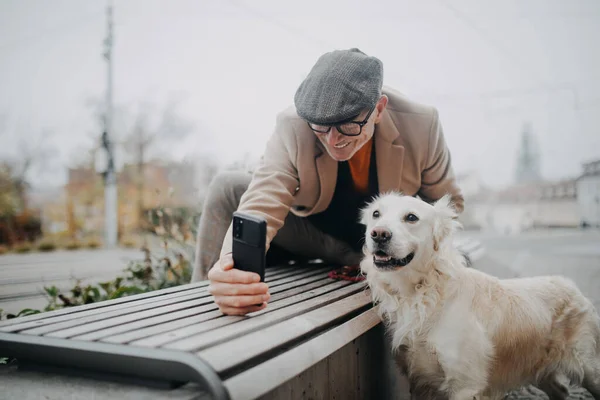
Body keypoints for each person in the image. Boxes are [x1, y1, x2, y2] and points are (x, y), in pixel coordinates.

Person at [192, 48, 464, 316]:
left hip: (381, 246)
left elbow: (447, 205)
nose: (334, 140)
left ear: (378, 109)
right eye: (322, 126)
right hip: (312, 234)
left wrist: (416, 249)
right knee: (228, 184)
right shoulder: (293, 124)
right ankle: (204, 293)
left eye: (348, 125)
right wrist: (230, 271)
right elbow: (262, 200)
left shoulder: (421, 124)